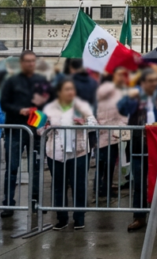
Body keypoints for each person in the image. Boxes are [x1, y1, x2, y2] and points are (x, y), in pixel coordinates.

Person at [0, 49, 52, 217]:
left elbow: (47, 104)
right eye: (27, 61)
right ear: (21, 63)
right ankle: (8, 202)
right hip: (15, 129)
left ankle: (36, 201)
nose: (30, 63)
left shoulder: (41, 81)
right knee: (12, 167)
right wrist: (19, 110)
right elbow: (4, 103)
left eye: (33, 61)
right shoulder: (12, 82)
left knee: (35, 168)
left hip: (35, 129)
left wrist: (40, 123)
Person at [118, 66, 157, 232]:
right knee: (140, 182)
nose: (154, 84)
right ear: (142, 82)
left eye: (156, 81)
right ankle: (139, 216)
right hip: (138, 144)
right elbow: (122, 108)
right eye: (150, 81)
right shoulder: (134, 94)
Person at [41, 78, 97, 230]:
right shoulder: (49, 108)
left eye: (72, 89)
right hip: (55, 152)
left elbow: (94, 124)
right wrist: (45, 126)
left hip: (79, 152)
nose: (70, 92)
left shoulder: (82, 105)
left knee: (79, 185)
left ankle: (79, 218)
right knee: (58, 186)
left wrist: (84, 122)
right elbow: (37, 126)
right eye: (66, 89)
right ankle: (61, 218)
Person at [95, 70, 131, 198]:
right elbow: (121, 114)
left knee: (103, 163)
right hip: (112, 132)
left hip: (105, 132)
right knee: (108, 163)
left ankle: (101, 187)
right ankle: (104, 188)